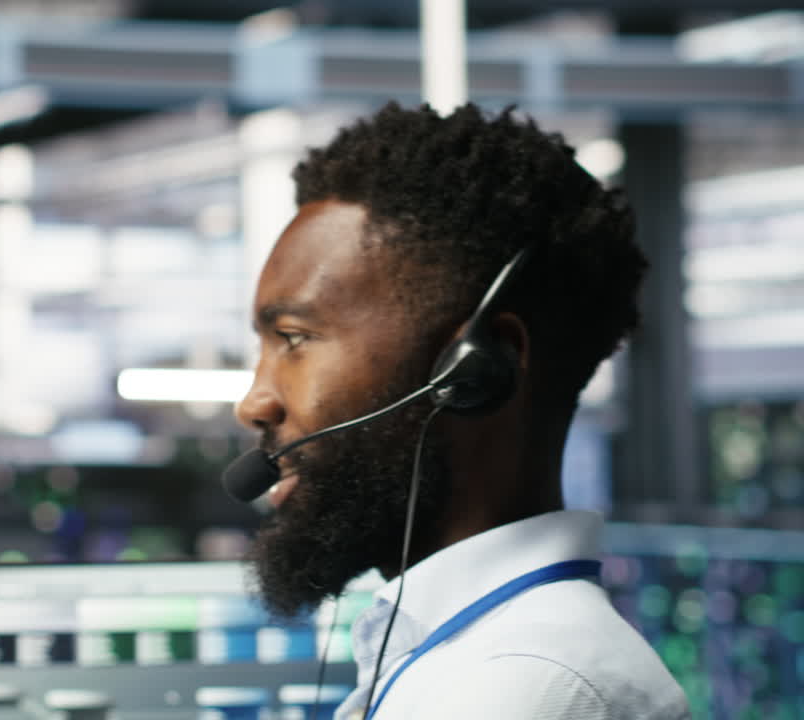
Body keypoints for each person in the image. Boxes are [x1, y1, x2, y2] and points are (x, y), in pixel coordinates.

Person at [232, 102, 692, 719]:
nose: (253, 403)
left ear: (474, 371)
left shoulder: (526, 688)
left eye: (294, 338)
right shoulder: (465, 656)